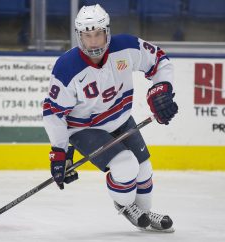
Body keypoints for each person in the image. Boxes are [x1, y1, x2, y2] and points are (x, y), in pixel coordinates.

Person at [43, 4, 178, 232]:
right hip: (85, 129)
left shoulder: (125, 47)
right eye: (87, 36)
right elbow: (53, 114)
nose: (93, 42)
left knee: (144, 169)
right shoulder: (66, 67)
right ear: (79, 36)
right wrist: (60, 151)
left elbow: (159, 60)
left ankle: (142, 212)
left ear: (107, 32)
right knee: (125, 166)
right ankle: (125, 205)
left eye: (98, 34)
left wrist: (162, 88)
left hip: (121, 119)